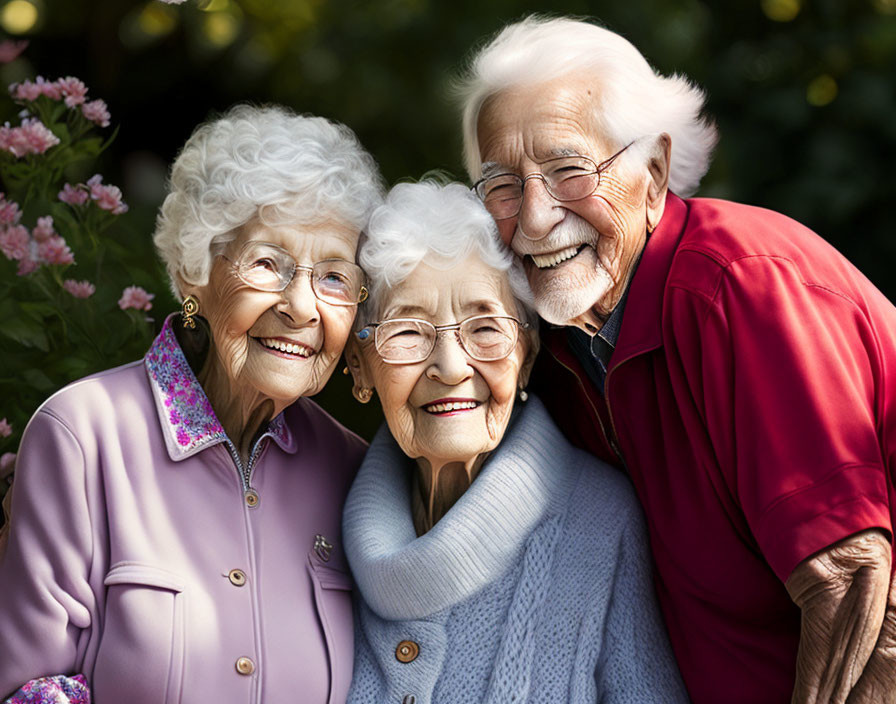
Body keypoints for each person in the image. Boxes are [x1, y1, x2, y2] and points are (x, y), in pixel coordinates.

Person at [457, 15, 896, 704]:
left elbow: (855, 588)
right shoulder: (561, 346)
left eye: (570, 170)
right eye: (503, 185)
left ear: (654, 171)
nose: (535, 218)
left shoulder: (740, 290)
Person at [0, 104, 383, 704]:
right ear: (193, 273)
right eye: (267, 264)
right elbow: (29, 687)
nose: (303, 307)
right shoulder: (83, 435)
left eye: (334, 277)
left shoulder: (354, 470)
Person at [342, 180, 688, 703]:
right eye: (409, 332)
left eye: (485, 329)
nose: (452, 367)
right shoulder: (315, 519)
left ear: (526, 355)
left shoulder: (602, 526)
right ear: (360, 368)